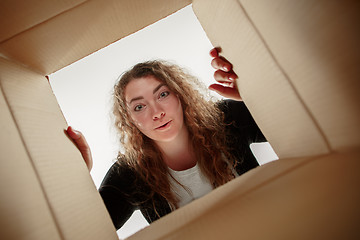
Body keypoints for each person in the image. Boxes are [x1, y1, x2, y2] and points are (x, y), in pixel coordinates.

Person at [66, 48, 266, 230]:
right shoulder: (129, 175)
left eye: (162, 94)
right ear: (130, 121)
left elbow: (292, 116)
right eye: (139, 107)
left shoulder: (228, 119)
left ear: (180, 95)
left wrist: (254, 91)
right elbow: (86, 231)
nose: (156, 112)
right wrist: (78, 178)